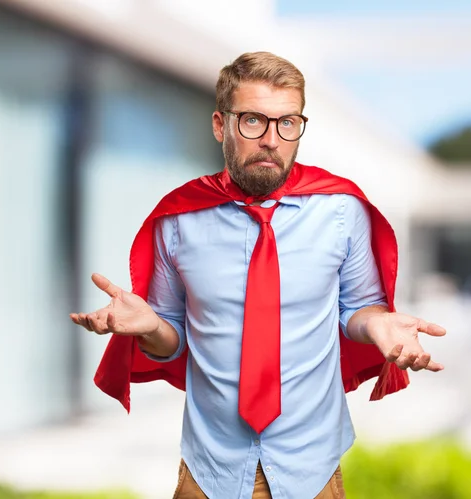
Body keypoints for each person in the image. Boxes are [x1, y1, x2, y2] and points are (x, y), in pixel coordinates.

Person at [70, 52, 446, 499]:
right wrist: (151, 325)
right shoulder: (178, 221)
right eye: (253, 121)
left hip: (313, 469)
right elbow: (171, 340)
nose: (271, 139)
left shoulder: (343, 212)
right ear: (220, 125)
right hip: (208, 471)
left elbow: (357, 311)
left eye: (287, 123)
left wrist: (378, 320)